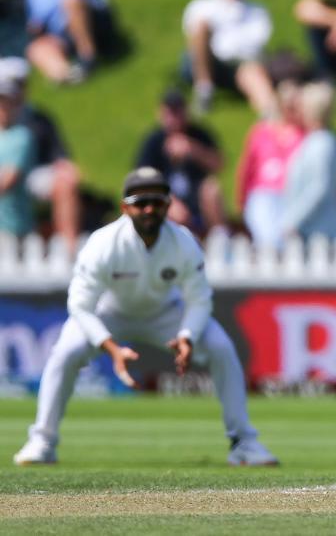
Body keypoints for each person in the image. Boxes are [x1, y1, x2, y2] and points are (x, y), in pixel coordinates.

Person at [12, 167, 278, 467]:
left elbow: (199, 300)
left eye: (157, 202)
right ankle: (42, 441)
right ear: (125, 207)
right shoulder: (103, 244)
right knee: (65, 352)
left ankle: (244, 443)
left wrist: (188, 335)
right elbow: (80, 306)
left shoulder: (183, 242)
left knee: (220, 348)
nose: (149, 210)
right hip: (110, 313)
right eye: (141, 203)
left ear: (168, 205)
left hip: (165, 314)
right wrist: (110, 347)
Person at [0, 57, 81, 253]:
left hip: (33, 176)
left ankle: (69, 251)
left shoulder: (36, 120)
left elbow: (60, 158)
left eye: (21, 83)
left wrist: (66, 171)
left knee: (65, 182)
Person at [181, 0, 276, 115]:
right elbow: (193, 35)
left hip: (239, 64)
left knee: (251, 71)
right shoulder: (202, 5)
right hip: (208, 61)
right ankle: (204, 90)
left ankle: (270, 113)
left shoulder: (257, 10)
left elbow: (256, 45)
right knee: (202, 28)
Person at [136, 90, 227, 236]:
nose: (174, 118)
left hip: (196, 195)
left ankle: (221, 238)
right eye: (170, 113)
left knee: (212, 189)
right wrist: (167, 199)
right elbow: (142, 179)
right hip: (167, 198)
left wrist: (193, 149)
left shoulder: (199, 134)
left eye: (178, 112)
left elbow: (219, 164)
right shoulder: (154, 141)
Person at [236, 79, 305, 248]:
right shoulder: (261, 132)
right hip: (262, 192)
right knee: (267, 237)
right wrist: (242, 198)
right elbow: (247, 168)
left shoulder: (304, 134)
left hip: (291, 194)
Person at [281, 82, 336, 241]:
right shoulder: (314, 141)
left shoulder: (322, 144)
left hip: (319, 232)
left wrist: (293, 220)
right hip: (311, 230)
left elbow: (319, 188)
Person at [0, 72, 36, 238]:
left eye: (7, 103)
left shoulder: (21, 136)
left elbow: (7, 181)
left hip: (12, 228)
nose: (3, 107)